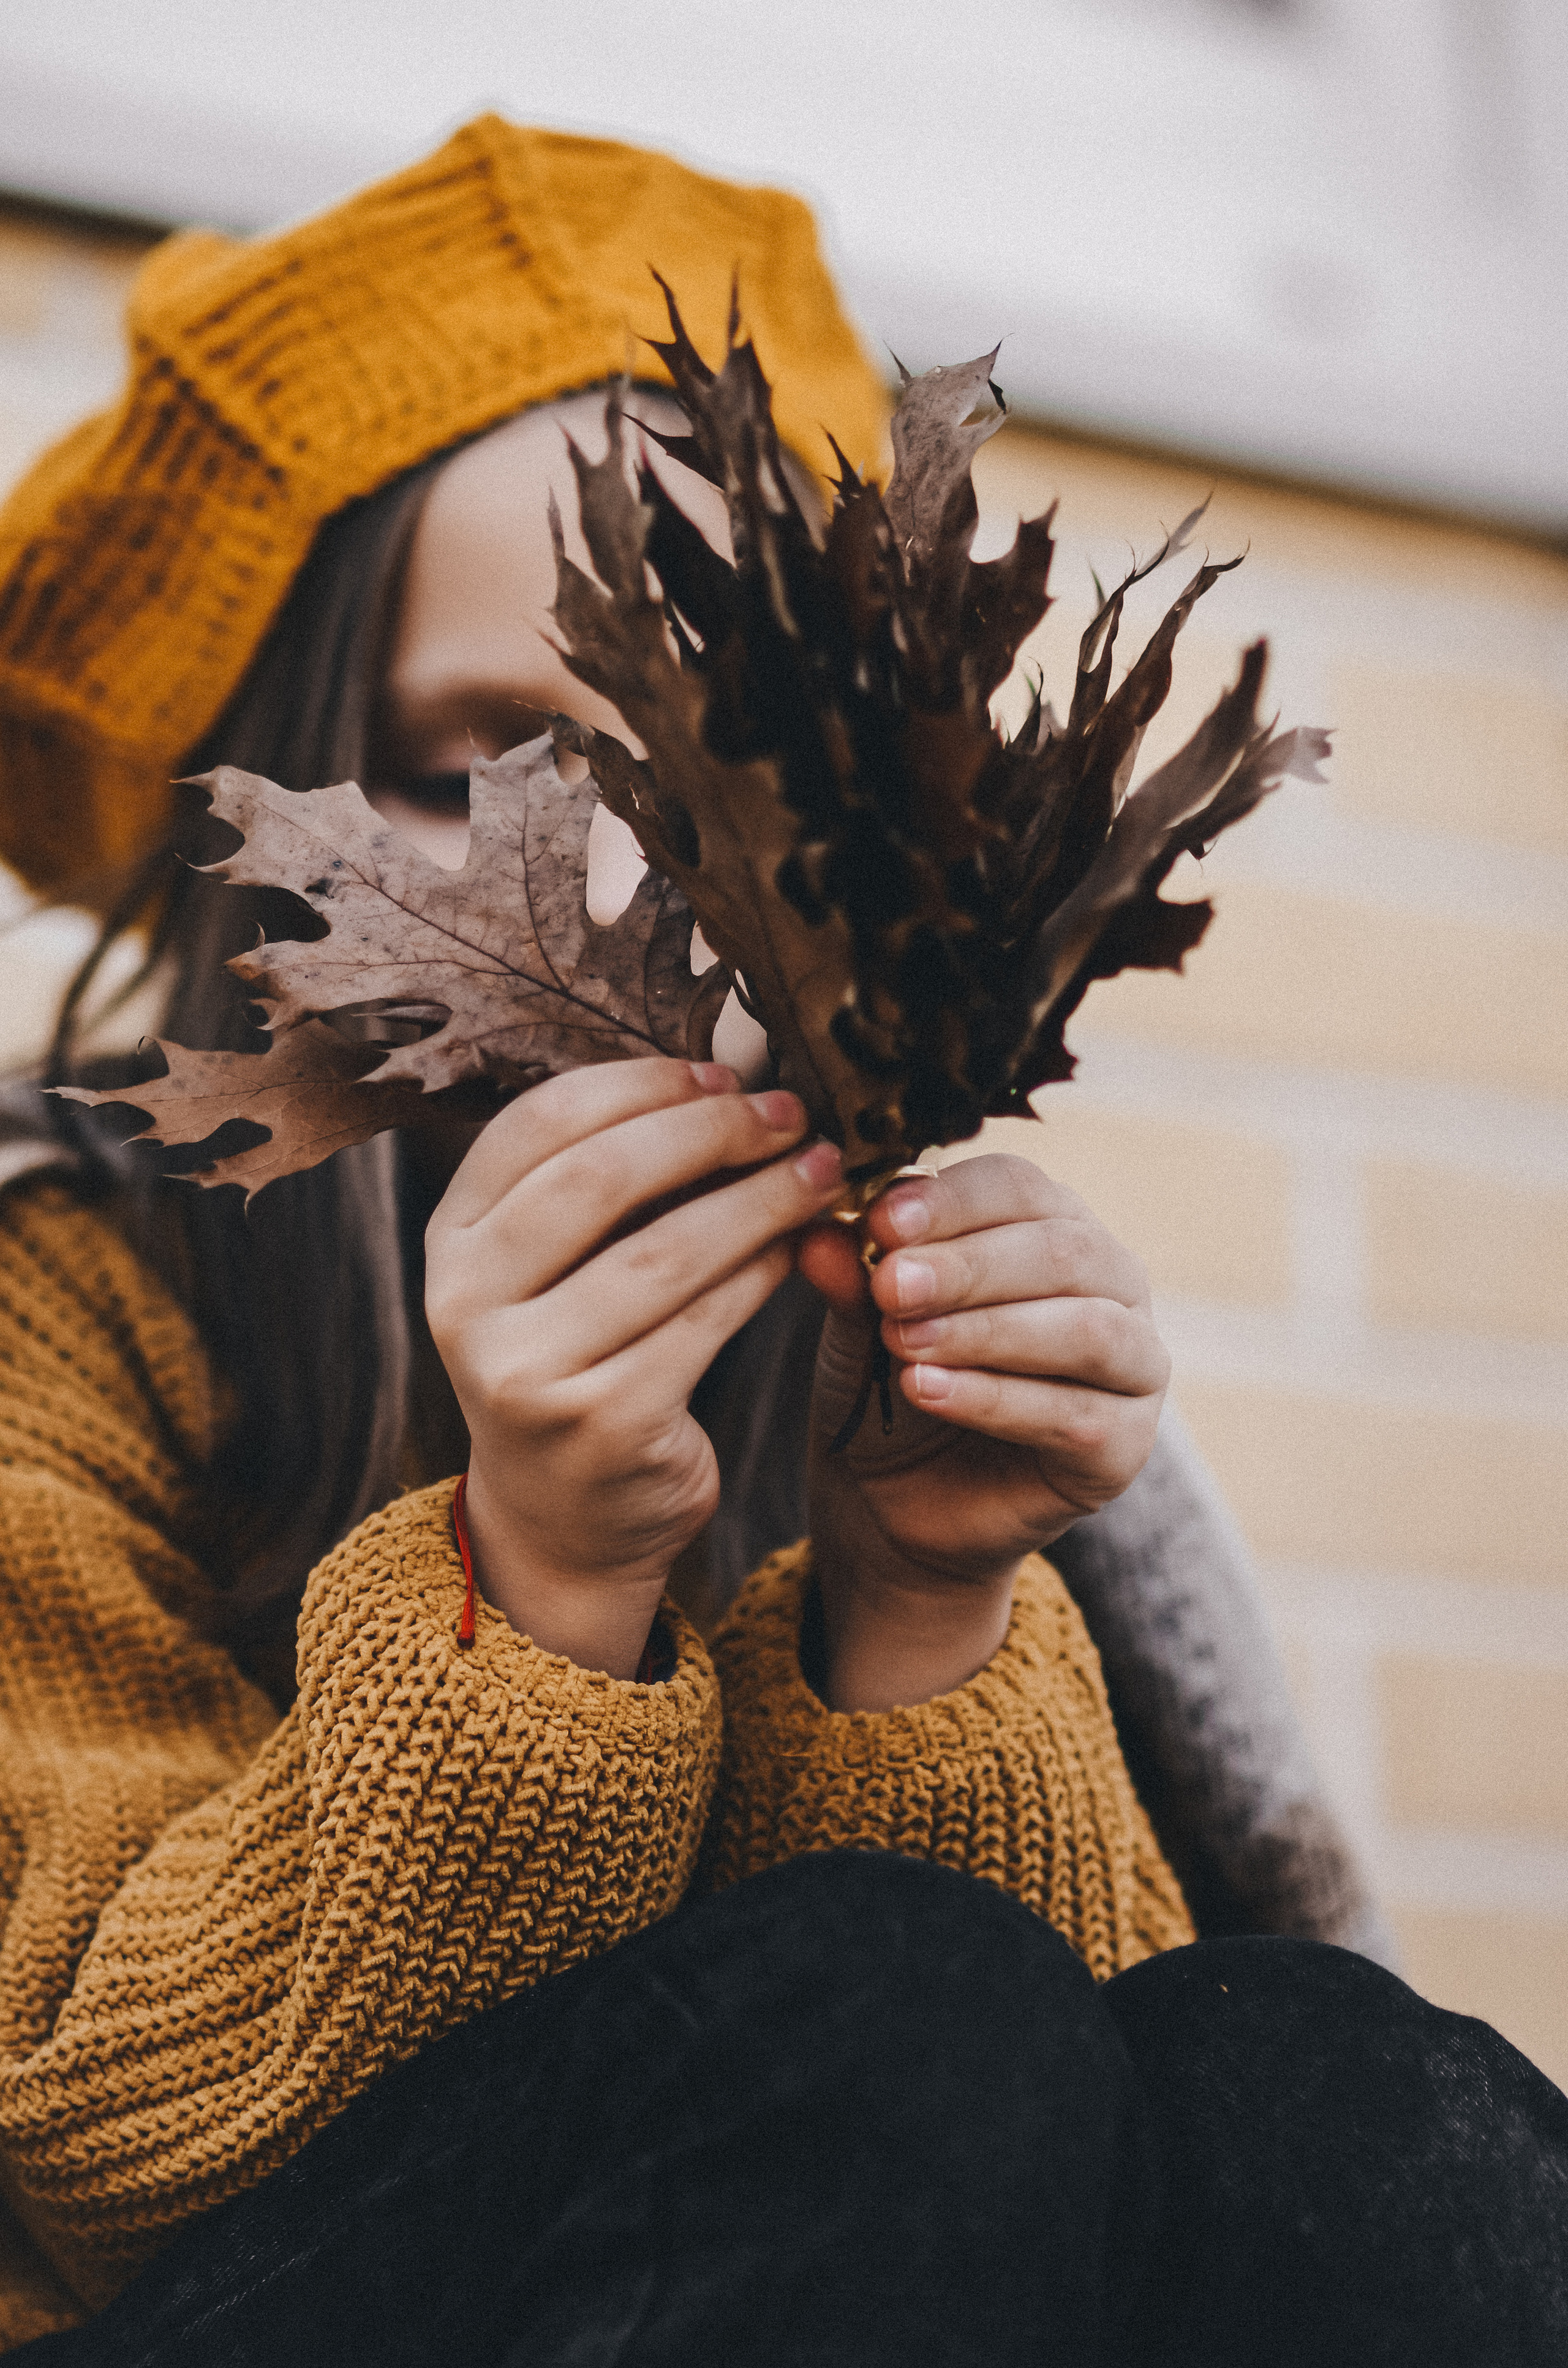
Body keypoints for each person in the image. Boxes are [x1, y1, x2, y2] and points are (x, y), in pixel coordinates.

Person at [0, 117, 1561, 2365]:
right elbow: (98, 2139)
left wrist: (922, 1600)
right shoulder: (65, 1304)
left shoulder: (898, 1340)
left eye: (716, 766)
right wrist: (534, 1586)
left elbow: (1119, 2170)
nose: (622, 893)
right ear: (268, 846)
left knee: (1344, 2079)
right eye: (485, 770)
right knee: (889, 2006)